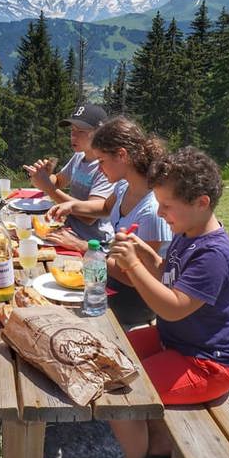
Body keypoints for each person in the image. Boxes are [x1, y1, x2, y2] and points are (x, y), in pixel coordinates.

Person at [107, 147, 229, 458]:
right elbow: (168, 274)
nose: (160, 212)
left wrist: (132, 265)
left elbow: (172, 306)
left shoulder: (214, 254)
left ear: (201, 202)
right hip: (175, 341)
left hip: (206, 362)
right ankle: (155, 441)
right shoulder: (188, 233)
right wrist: (144, 254)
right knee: (109, 357)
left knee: (119, 394)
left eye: (167, 206)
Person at [48, 116, 172, 327]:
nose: (99, 169)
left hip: (135, 301)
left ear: (122, 155)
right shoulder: (124, 186)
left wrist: (84, 247)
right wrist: (72, 206)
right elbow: (105, 208)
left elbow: (134, 277)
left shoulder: (151, 211)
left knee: (61, 316)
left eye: (102, 161)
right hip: (112, 277)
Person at [22, 103, 115, 251]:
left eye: (81, 131)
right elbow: (58, 181)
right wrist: (43, 176)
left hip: (91, 243)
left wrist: (49, 188)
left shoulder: (106, 167)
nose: (73, 135)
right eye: (72, 130)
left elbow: (89, 218)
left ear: (100, 133)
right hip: (68, 230)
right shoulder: (79, 156)